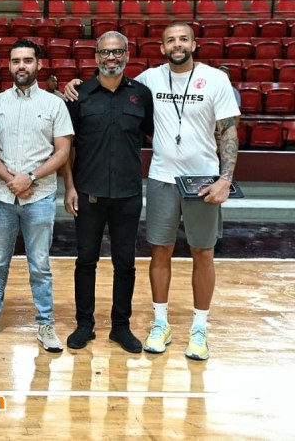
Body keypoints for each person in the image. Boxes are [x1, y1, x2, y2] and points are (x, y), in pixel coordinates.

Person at [64, 22, 240, 360]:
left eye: (183, 39)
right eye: (171, 40)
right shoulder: (147, 81)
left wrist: (225, 178)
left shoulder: (212, 79)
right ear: (161, 47)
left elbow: (229, 130)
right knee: (157, 251)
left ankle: (198, 328)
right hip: (158, 179)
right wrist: (73, 84)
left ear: (194, 44)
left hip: (201, 179)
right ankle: (159, 323)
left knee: (201, 253)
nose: (177, 44)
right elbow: (100, 101)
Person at [0, 39, 71, 353]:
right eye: (16, 61)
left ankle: (45, 324)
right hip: (2, 194)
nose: (21, 66)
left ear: (38, 64)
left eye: (27, 60)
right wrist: (11, 179)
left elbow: (62, 151)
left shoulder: (55, 104)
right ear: (9, 65)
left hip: (39, 195)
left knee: (39, 264)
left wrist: (30, 177)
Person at [61, 32, 154, 354]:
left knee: (125, 263)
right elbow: (66, 146)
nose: (111, 57)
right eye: (105, 52)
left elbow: (153, 135)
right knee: (86, 260)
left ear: (127, 54)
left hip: (128, 195)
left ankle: (121, 327)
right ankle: (84, 324)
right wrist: (69, 187)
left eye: (117, 52)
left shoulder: (141, 94)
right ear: (96, 56)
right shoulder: (79, 95)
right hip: (88, 193)